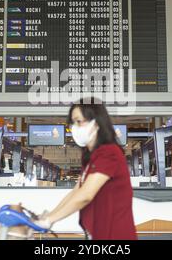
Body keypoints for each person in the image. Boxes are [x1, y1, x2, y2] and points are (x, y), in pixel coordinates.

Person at [34, 98, 137, 240]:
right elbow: (77, 191)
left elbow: (86, 195)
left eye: (79, 121)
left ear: (96, 122)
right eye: (72, 123)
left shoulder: (109, 153)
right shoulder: (91, 158)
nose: (74, 127)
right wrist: (49, 216)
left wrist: (49, 220)